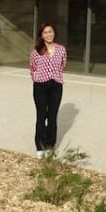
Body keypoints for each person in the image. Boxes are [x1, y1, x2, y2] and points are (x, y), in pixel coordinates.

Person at [29, 23, 67, 158]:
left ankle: (50, 145)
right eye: (45, 32)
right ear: (41, 35)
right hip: (40, 86)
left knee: (52, 117)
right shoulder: (36, 51)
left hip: (56, 86)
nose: (48, 35)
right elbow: (32, 68)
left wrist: (55, 76)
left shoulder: (61, 49)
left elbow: (62, 66)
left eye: (50, 32)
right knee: (41, 116)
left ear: (54, 33)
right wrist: (38, 78)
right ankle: (40, 146)